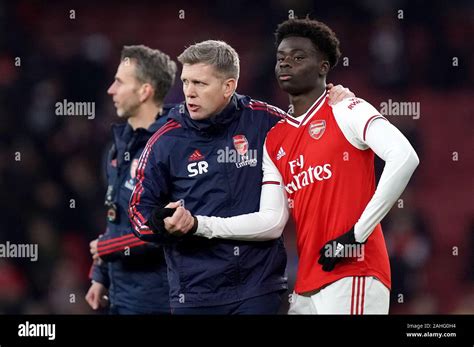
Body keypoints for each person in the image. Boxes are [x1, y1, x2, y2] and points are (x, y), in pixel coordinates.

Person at [163, 19, 419, 315]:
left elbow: (404, 157)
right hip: (306, 286)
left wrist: (356, 235)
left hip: (354, 273)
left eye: (298, 58)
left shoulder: (347, 108)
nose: (286, 63)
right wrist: (200, 224)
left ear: (323, 67)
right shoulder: (276, 138)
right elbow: (271, 221)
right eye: (281, 58)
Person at [128, 40, 352, 314]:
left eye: (200, 83)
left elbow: (318, 138)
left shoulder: (266, 122)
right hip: (195, 293)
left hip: (258, 288)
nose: (189, 92)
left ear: (228, 86)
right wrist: (164, 223)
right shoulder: (165, 142)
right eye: (186, 82)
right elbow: (138, 212)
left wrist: (336, 104)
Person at [85, 45, 176, 314]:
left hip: (157, 301)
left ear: (144, 91)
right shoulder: (117, 147)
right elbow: (116, 215)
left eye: (120, 82)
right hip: (120, 297)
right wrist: (100, 276)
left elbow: (167, 230)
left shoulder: (170, 147)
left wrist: (106, 248)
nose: (110, 90)